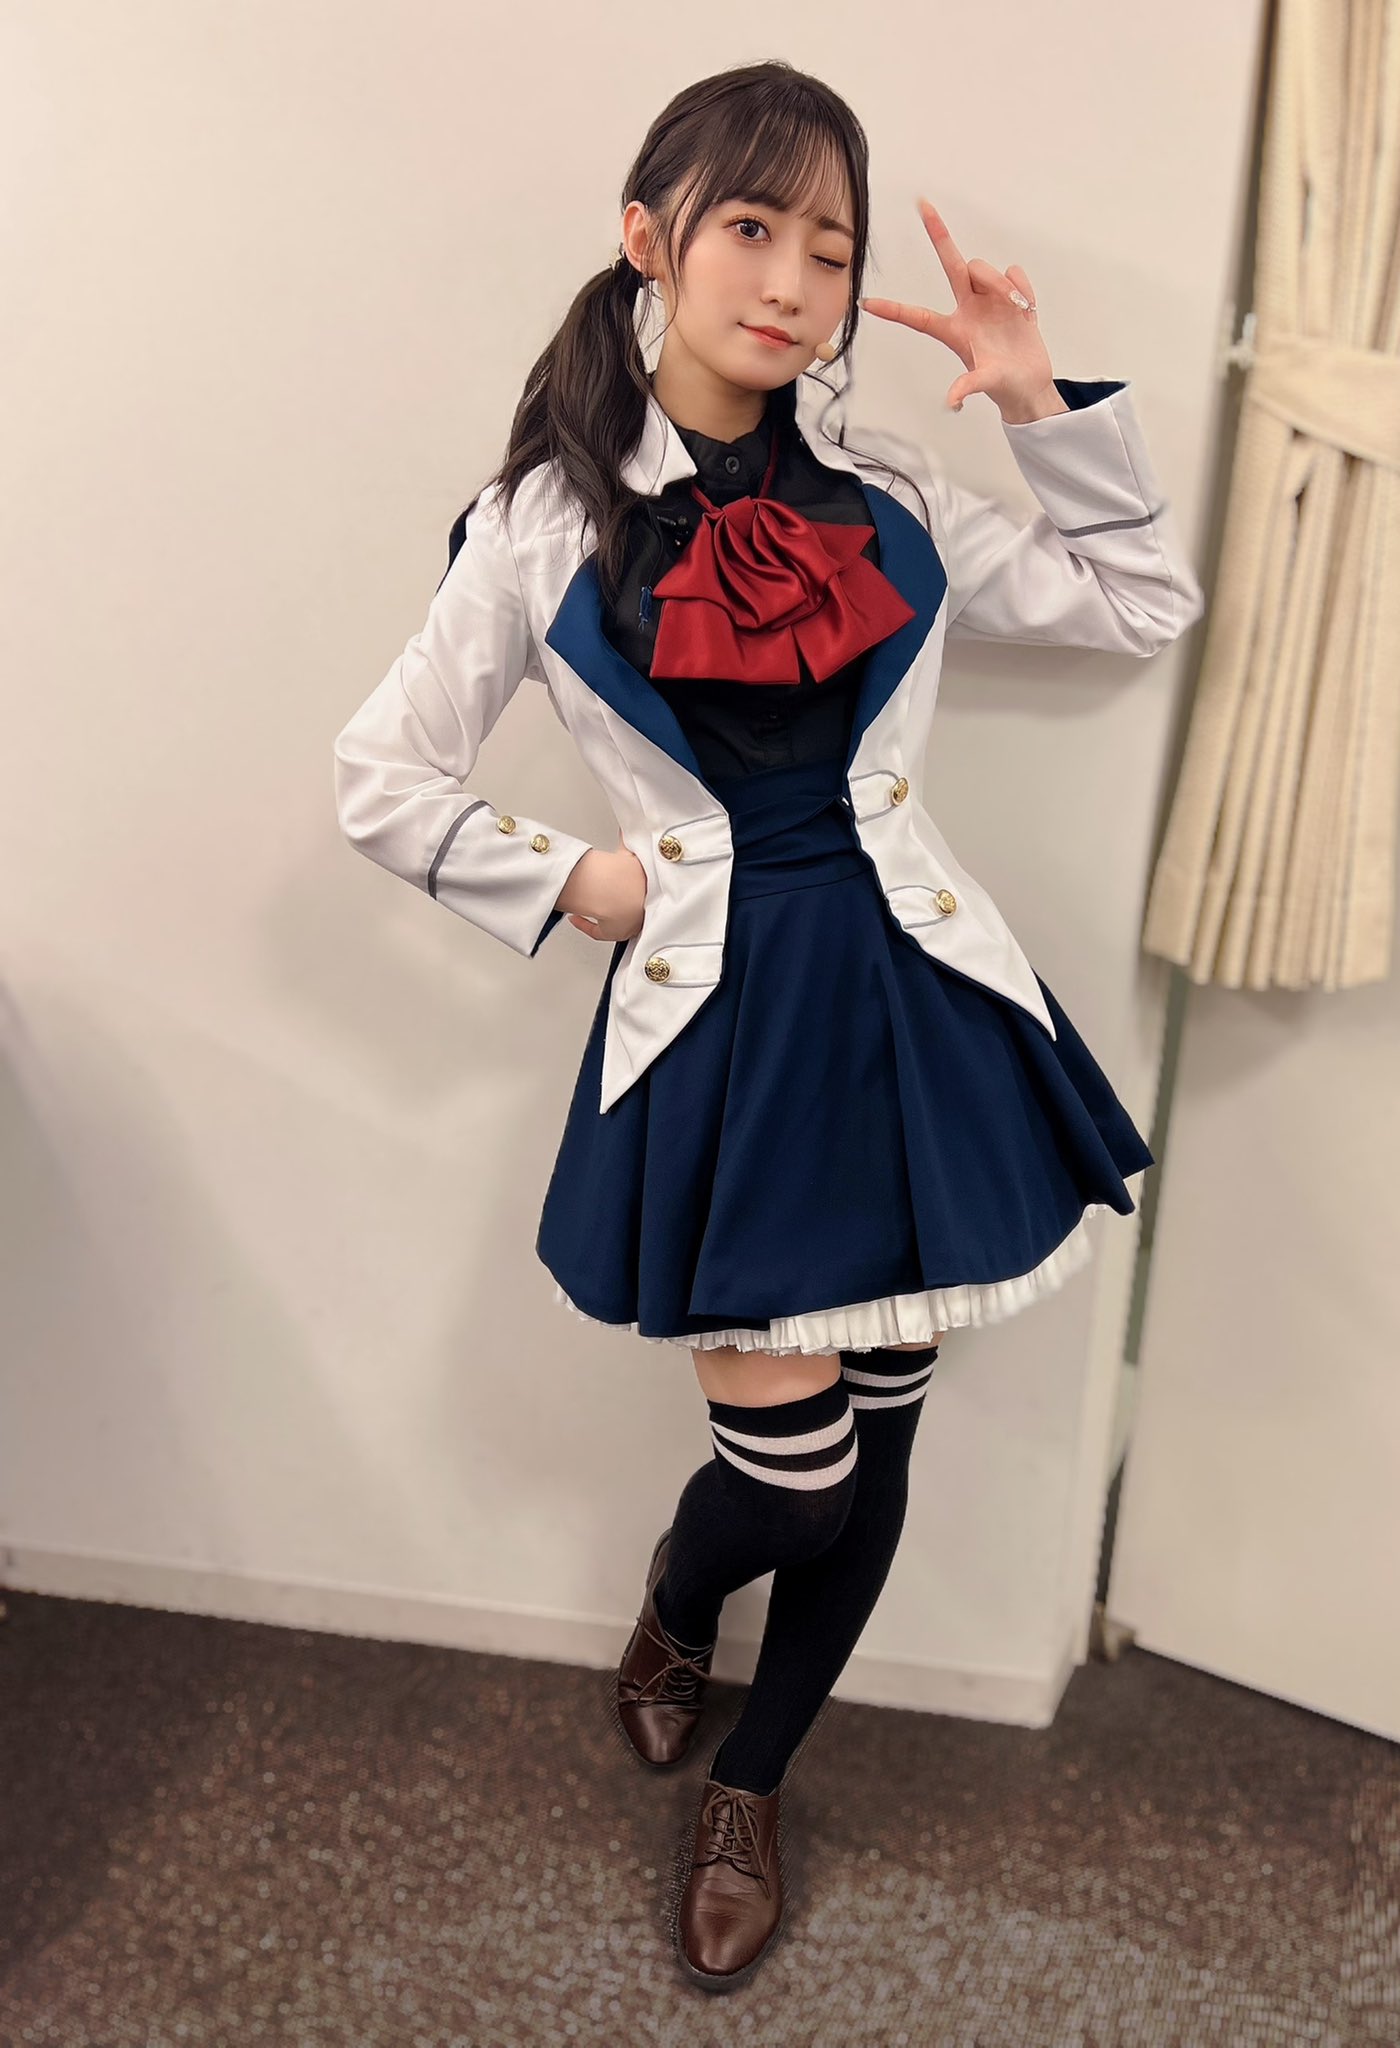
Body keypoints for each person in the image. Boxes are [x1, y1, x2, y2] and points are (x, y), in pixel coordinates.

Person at [333, 59, 1204, 1994]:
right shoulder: (543, 525)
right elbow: (380, 775)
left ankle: (756, 1777)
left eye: (831, 243)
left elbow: (1141, 601)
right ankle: (675, 1599)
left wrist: (1039, 400)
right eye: (752, 226)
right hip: (725, 1031)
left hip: (914, 1006)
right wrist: (571, 877)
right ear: (649, 239)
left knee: (877, 1442)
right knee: (791, 1476)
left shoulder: (891, 496)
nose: (794, 280)